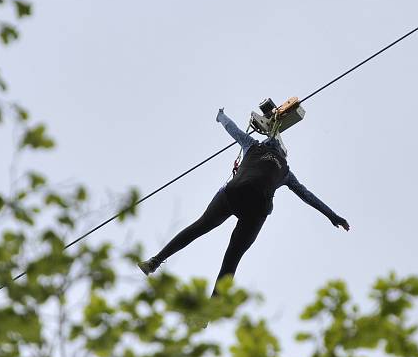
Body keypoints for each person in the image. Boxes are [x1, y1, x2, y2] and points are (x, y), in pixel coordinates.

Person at [138, 108, 350, 296]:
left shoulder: (252, 145)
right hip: (257, 211)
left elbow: (233, 129)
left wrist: (221, 116)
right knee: (232, 259)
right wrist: (332, 216)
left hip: (233, 194)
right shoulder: (286, 172)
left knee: (198, 227)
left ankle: (155, 262)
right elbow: (307, 196)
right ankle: (211, 310)